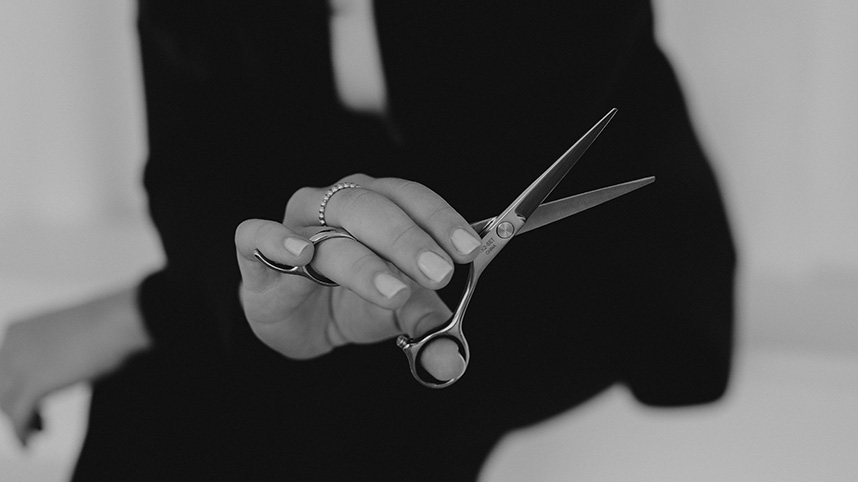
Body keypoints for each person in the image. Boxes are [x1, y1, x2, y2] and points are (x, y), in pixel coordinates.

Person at [1, 1, 736, 480]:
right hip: (363, 261)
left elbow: (510, 143)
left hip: (584, 260)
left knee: (322, 426)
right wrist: (255, 280)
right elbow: (197, 173)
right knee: (156, 410)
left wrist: (140, 314)